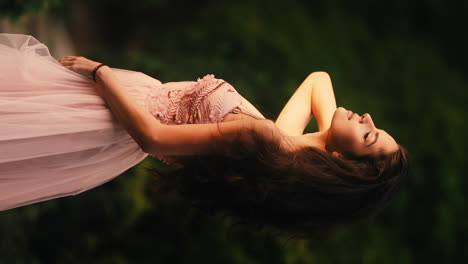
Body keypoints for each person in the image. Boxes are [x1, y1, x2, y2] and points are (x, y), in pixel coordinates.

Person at [0, 34, 408, 238]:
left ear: (341, 161)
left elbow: (155, 139)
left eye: (370, 135)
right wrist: (327, 142)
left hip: (110, 114)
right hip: (121, 104)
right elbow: (320, 80)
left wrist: (100, 72)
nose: (368, 118)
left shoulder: (266, 139)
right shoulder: (282, 148)